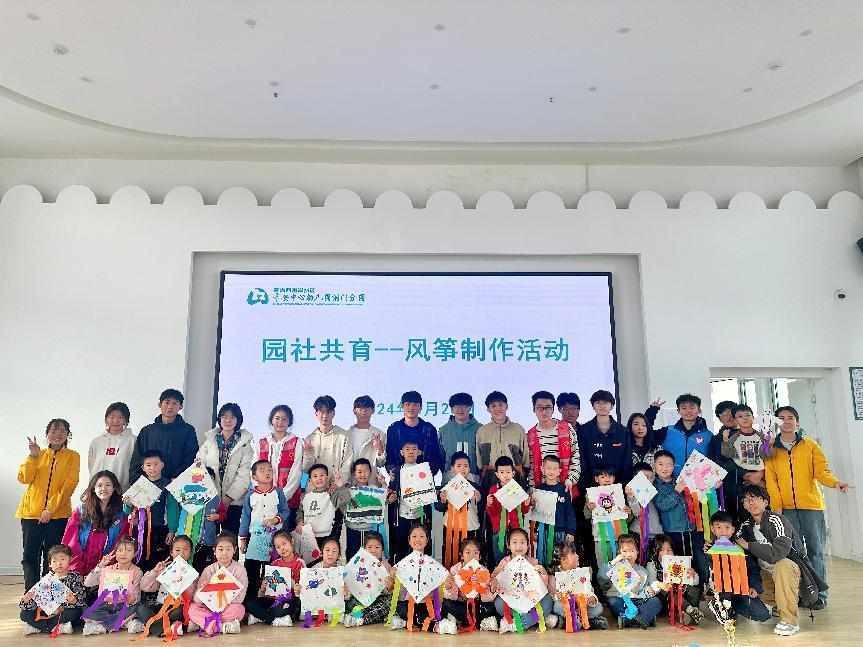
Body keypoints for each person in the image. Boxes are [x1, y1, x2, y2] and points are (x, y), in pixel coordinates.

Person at [765, 405, 851, 608]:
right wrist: (777, 507)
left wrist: (835, 483)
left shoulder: (810, 445)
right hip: (786, 509)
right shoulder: (770, 448)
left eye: (790, 418)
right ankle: (801, 593)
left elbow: (822, 471)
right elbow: (771, 480)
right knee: (793, 552)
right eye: (781, 418)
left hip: (812, 507)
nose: (786, 421)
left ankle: (820, 596)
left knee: (816, 551)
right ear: (776, 423)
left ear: (797, 422)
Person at [735, 484, 826, 637]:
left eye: (755, 498)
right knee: (748, 574)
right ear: (744, 505)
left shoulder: (778, 520)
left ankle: (790, 621)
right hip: (766, 573)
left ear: (765, 502)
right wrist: (711, 544)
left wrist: (749, 545)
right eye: (747, 500)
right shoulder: (746, 526)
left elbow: (779, 553)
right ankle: (780, 604)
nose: (751, 503)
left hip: (791, 572)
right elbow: (731, 540)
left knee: (782, 565)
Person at [17, 418, 80, 591]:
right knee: (30, 556)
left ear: (67, 434)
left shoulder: (73, 456)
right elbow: (24, 478)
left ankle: (48, 594)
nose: (57, 434)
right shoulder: (38, 454)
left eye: (62, 431)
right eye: (53, 430)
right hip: (31, 513)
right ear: (47, 434)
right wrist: (33, 456)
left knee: (53, 557)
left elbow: (69, 485)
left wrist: (50, 509)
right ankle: (31, 594)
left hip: (58, 515)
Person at [652, 450, 708, 590]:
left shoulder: (681, 479)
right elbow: (663, 505)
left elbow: (700, 491)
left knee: (698, 561)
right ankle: (681, 593)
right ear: (654, 466)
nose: (665, 468)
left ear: (674, 466)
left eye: (669, 464)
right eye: (660, 464)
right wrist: (676, 490)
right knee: (679, 563)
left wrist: (712, 486)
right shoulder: (654, 486)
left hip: (692, 528)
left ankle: (700, 590)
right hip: (673, 532)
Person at [196, 402, 254, 536]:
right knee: (209, 540)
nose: (228, 420)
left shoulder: (245, 446)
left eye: (232, 417)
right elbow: (199, 466)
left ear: (238, 420)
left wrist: (228, 499)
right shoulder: (209, 442)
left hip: (234, 502)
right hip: (210, 500)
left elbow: (245, 475)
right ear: (219, 419)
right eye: (224, 417)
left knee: (230, 539)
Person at [702, 511, 770, 623]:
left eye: (727, 527)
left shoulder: (740, 549)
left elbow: (753, 569)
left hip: (741, 589)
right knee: (728, 616)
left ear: (733, 529)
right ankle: (721, 606)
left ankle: (731, 608)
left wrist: (754, 587)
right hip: (721, 590)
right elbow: (706, 572)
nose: (723, 531)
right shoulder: (709, 550)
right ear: (712, 529)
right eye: (718, 527)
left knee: (763, 615)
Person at [390, 524, 457, 633]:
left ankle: (406, 622)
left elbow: (445, 575)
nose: (418, 539)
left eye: (422, 536)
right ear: (409, 540)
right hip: (410, 603)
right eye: (414, 536)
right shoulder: (402, 563)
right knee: (401, 609)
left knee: (439, 609)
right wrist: (392, 573)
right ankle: (435, 626)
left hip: (427, 602)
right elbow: (394, 578)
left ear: (427, 540)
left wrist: (448, 582)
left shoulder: (433, 564)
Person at [62, 470, 130, 576]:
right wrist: (77, 568)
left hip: (108, 570)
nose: (104, 488)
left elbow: (121, 543)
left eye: (108, 485)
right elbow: (71, 541)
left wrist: (108, 566)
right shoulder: (81, 511)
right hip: (79, 569)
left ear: (114, 488)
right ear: (93, 488)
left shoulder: (121, 514)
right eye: (99, 485)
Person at [239, 460, 290, 597]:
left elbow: (285, 511)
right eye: (262, 470)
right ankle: (250, 601)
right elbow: (245, 517)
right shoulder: (250, 495)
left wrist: (275, 520)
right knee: (251, 570)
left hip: (274, 539)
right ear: (254, 477)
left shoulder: (278, 492)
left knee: (271, 569)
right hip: (255, 539)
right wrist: (243, 540)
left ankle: (269, 600)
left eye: (269, 470)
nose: (267, 473)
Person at [490, 527, 554, 633]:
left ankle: (517, 624)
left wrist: (543, 574)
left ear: (528, 545)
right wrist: (495, 574)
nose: (519, 546)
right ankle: (530, 620)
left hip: (530, 601)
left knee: (548, 601)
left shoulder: (533, 562)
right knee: (498, 603)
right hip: (512, 599)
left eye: (522, 542)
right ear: (508, 545)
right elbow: (495, 585)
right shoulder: (504, 562)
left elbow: (542, 588)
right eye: (515, 542)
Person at [131, 535, 197, 636]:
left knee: (180, 611)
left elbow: (192, 597)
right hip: (160, 606)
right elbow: (144, 587)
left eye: (185, 549)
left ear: (190, 552)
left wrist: (185, 584)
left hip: (176, 607)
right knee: (141, 609)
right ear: (171, 552)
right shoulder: (164, 569)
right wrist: (155, 571)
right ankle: (165, 628)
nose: (181, 553)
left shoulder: (192, 573)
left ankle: (151, 626)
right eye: (177, 550)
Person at [129, 388, 198, 484]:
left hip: (176, 483)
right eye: (167, 402)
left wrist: (177, 477)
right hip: (149, 484)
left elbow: (190, 457)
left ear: (180, 407)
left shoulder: (188, 430)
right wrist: (136, 482)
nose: (170, 406)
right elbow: (137, 459)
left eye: (175, 403)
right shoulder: (147, 431)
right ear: (160, 404)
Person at [82, 535, 144, 635]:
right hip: (106, 605)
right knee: (87, 611)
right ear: (115, 552)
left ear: (135, 554)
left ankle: (102, 626)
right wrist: (100, 565)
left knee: (136, 608)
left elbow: (136, 596)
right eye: (120, 550)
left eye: (128, 550)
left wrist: (132, 599)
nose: (123, 553)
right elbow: (88, 583)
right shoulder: (107, 569)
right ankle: (125, 623)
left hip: (124, 606)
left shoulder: (137, 571)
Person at [189, 532, 248, 635]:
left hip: (227, 608)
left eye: (228, 549)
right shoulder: (208, 570)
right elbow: (196, 599)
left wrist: (222, 599)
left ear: (234, 550)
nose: (224, 553)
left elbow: (240, 599)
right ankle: (222, 627)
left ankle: (206, 624)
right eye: (220, 549)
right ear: (214, 551)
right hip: (208, 608)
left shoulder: (240, 570)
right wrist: (202, 589)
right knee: (192, 609)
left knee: (239, 609)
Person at [19, 544, 85, 635]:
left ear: (70, 559)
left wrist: (74, 600)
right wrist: (26, 601)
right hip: (48, 613)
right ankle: (55, 627)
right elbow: (35, 602)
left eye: (62, 559)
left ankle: (39, 627)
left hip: (64, 612)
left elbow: (82, 601)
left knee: (75, 613)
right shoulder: (46, 580)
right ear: (50, 564)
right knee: (24, 614)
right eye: (54, 561)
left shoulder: (76, 577)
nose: (59, 564)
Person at [600, 533, 661, 630]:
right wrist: (612, 563)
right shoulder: (614, 567)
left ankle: (630, 620)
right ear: (619, 552)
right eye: (624, 551)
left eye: (632, 551)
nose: (628, 554)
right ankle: (643, 618)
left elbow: (643, 590)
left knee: (656, 601)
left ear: (637, 552)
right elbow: (601, 578)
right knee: (612, 602)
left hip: (638, 601)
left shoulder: (642, 571)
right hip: (621, 601)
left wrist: (647, 591)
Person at [124, 450, 171, 572]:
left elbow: (172, 509)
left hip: (159, 529)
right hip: (139, 529)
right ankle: (138, 581)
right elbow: (128, 510)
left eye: (156, 464)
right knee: (138, 558)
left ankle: (153, 583)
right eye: (148, 465)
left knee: (157, 560)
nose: (152, 468)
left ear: (162, 464)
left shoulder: (167, 485)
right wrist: (127, 504)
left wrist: (172, 530)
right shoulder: (139, 485)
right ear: (143, 467)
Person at [721, 404, 770, 521]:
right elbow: (728, 454)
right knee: (746, 509)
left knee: (762, 508)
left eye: (748, 415)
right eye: (740, 416)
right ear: (735, 420)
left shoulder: (761, 436)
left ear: (753, 417)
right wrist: (726, 441)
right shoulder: (735, 437)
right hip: (742, 478)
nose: (745, 418)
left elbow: (767, 456)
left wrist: (767, 444)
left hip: (761, 476)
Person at [245, 530, 303, 626]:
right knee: (248, 602)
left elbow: (302, 590)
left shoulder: (299, 563)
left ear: (292, 542)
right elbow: (264, 591)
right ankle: (273, 619)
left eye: (284, 544)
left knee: (281, 608)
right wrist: (264, 586)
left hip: (288, 600)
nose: (282, 549)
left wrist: (295, 586)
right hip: (272, 600)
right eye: (278, 547)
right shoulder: (274, 564)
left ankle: (262, 616)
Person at [388, 439, 434, 562]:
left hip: (419, 515)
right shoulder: (396, 471)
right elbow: (391, 490)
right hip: (402, 516)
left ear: (419, 452)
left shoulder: (424, 469)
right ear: (401, 452)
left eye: (414, 449)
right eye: (407, 449)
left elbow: (429, 489)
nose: (411, 452)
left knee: (420, 547)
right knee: (401, 547)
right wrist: (391, 496)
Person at [259, 404, 303, 532]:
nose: (280, 422)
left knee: (285, 539)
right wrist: (264, 495)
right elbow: (254, 471)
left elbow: (296, 472)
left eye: (284, 419)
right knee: (266, 539)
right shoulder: (262, 443)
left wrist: (281, 498)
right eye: (277, 418)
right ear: (271, 420)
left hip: (288, 503)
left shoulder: (296, 442)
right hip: (264, 502)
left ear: (289, 422)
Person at [476, 391, 530, 492]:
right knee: (491, 502)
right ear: (488, 409)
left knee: (515, 502)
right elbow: (479, 458)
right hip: (490, 478)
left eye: (501, 405)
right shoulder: (482, 431)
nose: (497, 408)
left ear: (507, 406)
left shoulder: (518, 429)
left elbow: (525, 456)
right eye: (493, 405)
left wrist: (523, 475)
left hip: (515, 478)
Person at [526, 391, 579, 495]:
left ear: (553, 409)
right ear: (534, 409)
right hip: (542, 490)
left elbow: (575, 458)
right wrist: (532, 489)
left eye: (548, 407)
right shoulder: (530, 435)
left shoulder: (567, 429)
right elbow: (531, 466)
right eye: (540, 408)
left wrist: (571, 479)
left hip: (565, 487)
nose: (544, 412)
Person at [576, 390, 631, 489]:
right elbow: (582, 460)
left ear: (612, 406)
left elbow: (626, 461)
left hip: (617, 487)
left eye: (605, 402)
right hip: (591, 487)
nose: (602, 406)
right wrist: (585, 487)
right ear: (593, 406)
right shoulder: (583, 430)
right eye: (598, 403)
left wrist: (623, 486)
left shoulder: (623, 432)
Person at [441, 537, 498, 631]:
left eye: (476, 553)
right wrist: (448, 587)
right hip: (461, 604)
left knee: (490, 607)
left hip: (476, 605)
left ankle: (460, 620)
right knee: (447, 604)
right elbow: (450, 597)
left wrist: (492, 590)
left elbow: (487, 598)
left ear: (479, 556)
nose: (472, 556)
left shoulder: (484, 571)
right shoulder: (455, 570)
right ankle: (479, 622)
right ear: (462, 555)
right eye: (468, 552)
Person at [645, 533, 703, 626]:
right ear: (655, 551)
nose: (666, 553)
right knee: (669, 592)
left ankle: (690, 612)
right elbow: (651, 583)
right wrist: (660, 584)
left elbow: (695, 582)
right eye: (661, 550)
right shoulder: (652, 565)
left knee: (694, 589)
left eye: (669, 550)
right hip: (666, 599)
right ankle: (690, 611)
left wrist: (693, 575)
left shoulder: (679, 561)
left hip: (682, 594)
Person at [548, 541, 608, 629]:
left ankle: (570, 622)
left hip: (582, 606)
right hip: (567, 607)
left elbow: (589, 590)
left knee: (598, 608)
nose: (577, 556)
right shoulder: (554, 578)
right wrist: (558, 597)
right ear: (563, 560)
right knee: (557, 606)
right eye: (573, 554)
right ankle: (589, 622)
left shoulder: (581, 573)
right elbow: (553, 596)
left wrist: (591, 598)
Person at [649, 394, 711, 478]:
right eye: (684, 408)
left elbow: (713, 460)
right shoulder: (667, 431)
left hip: (698, 481)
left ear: (699, 410)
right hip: (671, 481)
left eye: (692, 408)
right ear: (678, 411)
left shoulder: (708, 435)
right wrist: (652, 411)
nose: (688, 411)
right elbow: (645, 433)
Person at [436, 451, 481, 564]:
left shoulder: (475, 487)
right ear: (452, 469)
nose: (462, 469)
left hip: (470, 526)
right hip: (450, 526)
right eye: (459, 466)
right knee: (450, 553)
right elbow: (439, 507)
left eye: (465, 466)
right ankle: (450, 573)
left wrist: (479, 499)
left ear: (469, 469)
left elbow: (483, 507)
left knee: (470, 554)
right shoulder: (447, 487)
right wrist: (442, 500)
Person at [385, 391, 444, 477]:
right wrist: (394, 471)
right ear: (402, 406)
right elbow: (390, 455)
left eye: (415, 405)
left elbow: (435, 456)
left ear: (421, 407)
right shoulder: (393, 429)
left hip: (424, 478)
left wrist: (426, 473)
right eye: (408, 404)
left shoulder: (429, 429)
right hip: (400, 477)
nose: (411, 407)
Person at [584, 464, 633, 568]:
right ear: (596, 479)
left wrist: (629, 513)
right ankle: (604, 579)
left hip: (620, 538)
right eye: (603, 477)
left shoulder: (619, 494)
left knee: (622, 566)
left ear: (614, 478)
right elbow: (587, 516)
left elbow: (627, 520)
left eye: (610, 476)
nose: (607, 480)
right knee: (604, 566)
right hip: (601, 538)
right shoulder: (592, 495)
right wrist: (588, 507)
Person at [343, 531, 395, 627]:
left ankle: (362, 619)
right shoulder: (358, 562)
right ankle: (371, 615)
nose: (373, 550)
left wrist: (390, 586)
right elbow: (351, 582)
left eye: (377, 547)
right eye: (369, 547)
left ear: (382, 549)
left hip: (378, 599)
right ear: (364, 549)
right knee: (350, 602)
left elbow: (387, 591)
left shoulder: (386, 566)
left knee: (390, 602)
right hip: (360, 598)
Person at [486, 456, 532, 562]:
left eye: (508, 472)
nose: (505, 475)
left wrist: (526, 504)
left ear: (513, 473)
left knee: (517, 557)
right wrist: (489, 504)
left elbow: (524, 511)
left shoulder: (518, 489)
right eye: (502, 472)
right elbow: (492, 513)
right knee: (500, 558)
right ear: (497, 474)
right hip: (499, 530)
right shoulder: (493, 490)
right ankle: (501, 572)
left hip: (516, 529)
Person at [533, 455, 576, 568]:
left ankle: (557, 579)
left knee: (559, 560)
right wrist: (535, 530)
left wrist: (570, 531)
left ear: (559, 471)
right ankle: (544, 579)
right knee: (542, 559)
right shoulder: (539, 490)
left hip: (560, 531)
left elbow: (569, 512)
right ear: (542, 469)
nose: (551, 471)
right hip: (544, 530)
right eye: (548, 468)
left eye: (554, 468)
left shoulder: (563, 490)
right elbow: (536, 512)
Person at [301, 395, 354, 486]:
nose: (325, 415)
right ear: (316, 414)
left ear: (334, 413)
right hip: (315, 489)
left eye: (328, 412)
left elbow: (347, 464)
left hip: (337, 487)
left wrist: (336, 484)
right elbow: (306, 469)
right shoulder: (309, 439)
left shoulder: (344, 436)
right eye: (322, 412)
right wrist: (309, 453)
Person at [295, 463, 351, 549]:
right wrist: (300, 522)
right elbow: (301, 511)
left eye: (322, 475)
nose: (319, 478)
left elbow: (345, 499)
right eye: (315, 476)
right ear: (310, 480)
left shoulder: (331, 494)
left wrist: (340, 484)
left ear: (327, 478)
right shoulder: (306, 496)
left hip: (327, 536)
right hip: (309, 536)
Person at [344, 458, 388, 559]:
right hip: (353, 529)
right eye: (359, 472)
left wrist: (383, 483)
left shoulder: (375, 488)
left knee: (371, 556)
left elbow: (383, 500)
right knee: (353, 555)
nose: (363, 474)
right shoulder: (350, 490)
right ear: (354, 474)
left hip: (370, 529)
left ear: (370, 472)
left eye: (366, 471)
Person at [88, 402, 135, 492]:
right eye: (112, 417)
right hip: (98, 493)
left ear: (126, 420)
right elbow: (91, 466)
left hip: (122, 492)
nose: (115, 421)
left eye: (120, 417)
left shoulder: (133, 441)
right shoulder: (97, 442)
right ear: (106, 419)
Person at [709, 400, 740, 519]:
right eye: (725, 414)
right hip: (726, 488)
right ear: (719, 418)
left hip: (748, 485)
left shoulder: (749, 435)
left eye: (732, 413)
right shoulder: (716, 439)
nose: (729, 416)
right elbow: (713, 463)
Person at [439, 392, 481, 474]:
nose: (460, 410)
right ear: (452, 409)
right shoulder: (443, 431)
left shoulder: (480, 429)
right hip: (449, 477)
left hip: (474, 476)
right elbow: (440, 457)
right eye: (456, 406)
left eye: (464, 406)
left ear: (470, 408)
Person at [347, 395, 387, 474]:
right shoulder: (346, 435)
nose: (363, 412)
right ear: (354, 411)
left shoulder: (380, 435)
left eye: (367, 409)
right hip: (350, 479)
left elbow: (381, 463)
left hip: (370, 479)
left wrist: (380, 449)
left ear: (373, 411)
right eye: (360, 408)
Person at [626, 462, 664, 544]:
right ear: (636, 478)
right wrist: (631, 498)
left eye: (651, 477)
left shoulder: (655, 492)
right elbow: (637, 513)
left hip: (656, 534)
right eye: (646, 478)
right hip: (638, 534)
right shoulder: (632, 494)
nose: (649, 480)